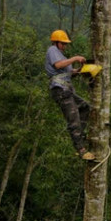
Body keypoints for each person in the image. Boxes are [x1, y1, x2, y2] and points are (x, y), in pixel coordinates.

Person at [45, 30, 95, 160]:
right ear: (56, 42)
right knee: (74, 120)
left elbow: (68, 71)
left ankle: (81, 137)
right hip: (60, 90)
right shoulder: (52, 50)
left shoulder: (60, 54)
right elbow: (58, 65)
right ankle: (81, 149)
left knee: (85, 107)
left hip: (67, 90)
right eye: (63, 43)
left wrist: (80, 70)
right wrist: (75, 58)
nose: (64, 46)